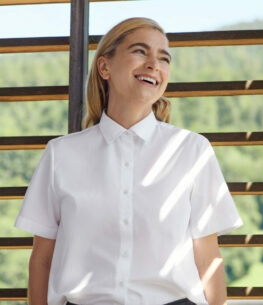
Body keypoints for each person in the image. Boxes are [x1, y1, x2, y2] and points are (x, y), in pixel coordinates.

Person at [15, 17, 242, 305]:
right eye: (140, 51)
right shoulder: (61, 155)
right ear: (104, 66)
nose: (154, 64)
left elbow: (208, 258)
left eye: (164, 58)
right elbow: (42, 260)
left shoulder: (192, 151)